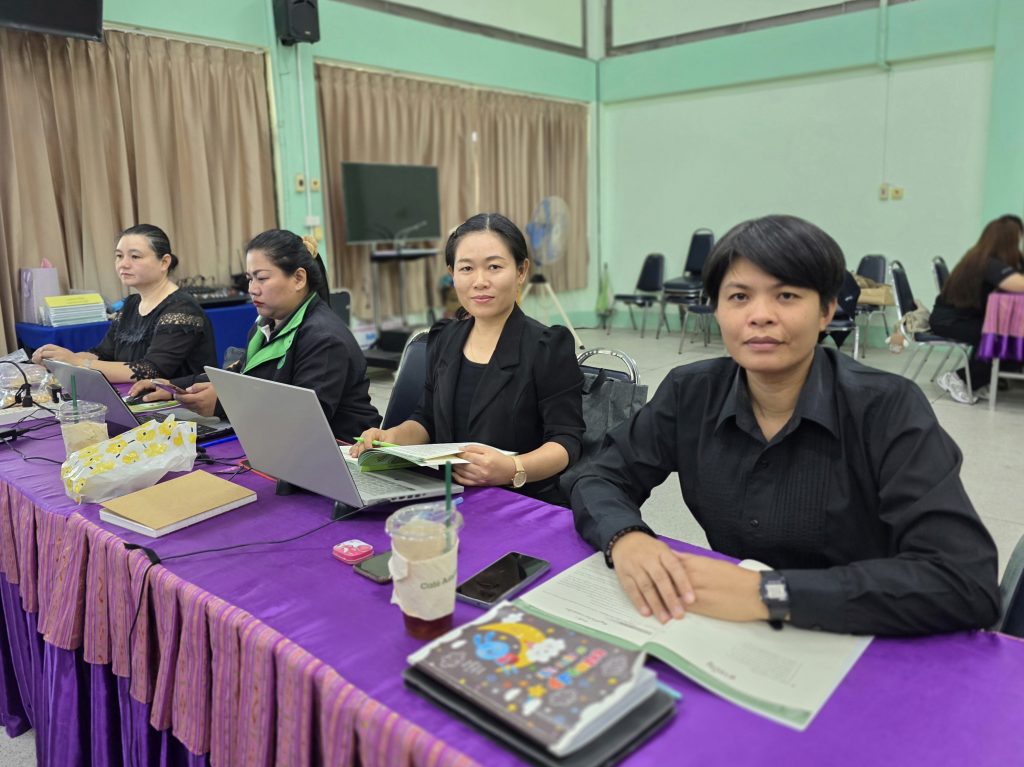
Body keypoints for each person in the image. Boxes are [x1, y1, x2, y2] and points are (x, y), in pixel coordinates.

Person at [567, 215, 999, 637]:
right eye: (739, 296)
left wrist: (768, 593)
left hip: (865, 632)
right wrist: (627, 537)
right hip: (737, 634)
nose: (760, 315)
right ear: (717, 309)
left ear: (826, 311)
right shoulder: (690, 393)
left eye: (787, 295)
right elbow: (600, 476)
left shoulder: (887, 407)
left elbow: (965, 581)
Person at [352, 213, 585, 506]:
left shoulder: (547, 346)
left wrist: (512, 469)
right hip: (446, 494)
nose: (480, 281)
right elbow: (427, 419)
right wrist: (391, 438)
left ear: (521, 271)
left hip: (519, 500)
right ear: (452, 274)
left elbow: (566, 441)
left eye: (494, 267)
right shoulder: (444, 338)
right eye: (466, 268)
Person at [129, 229, 381, 439]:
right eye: (249, 279)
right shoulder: (266, 325)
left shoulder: (324, 338)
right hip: (279, 442)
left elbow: (306, 420)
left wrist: (224, 404)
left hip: (341, 453)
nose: (252, 289)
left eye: (261, 278)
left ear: (298, 279)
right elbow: (240, 375)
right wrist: (174, 386)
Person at [31, 224, 216, 382]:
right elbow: (102, 354)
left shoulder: (182, 309)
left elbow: (150, 371)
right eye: (119, 256)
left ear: (164, 262)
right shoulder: (131, 304)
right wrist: (59, 359)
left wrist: (77, 362)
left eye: (135, 257)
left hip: (180, 405)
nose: (123, 264)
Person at [930, 214, 1024, 404]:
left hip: (965, 317)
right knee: (1001, 337)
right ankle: (959, 378)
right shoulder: (989, 263)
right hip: (950, 320)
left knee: (1010, 335)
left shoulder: (983, 257)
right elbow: (1019, 284)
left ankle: (980, 379)